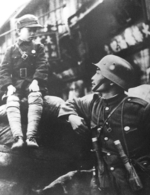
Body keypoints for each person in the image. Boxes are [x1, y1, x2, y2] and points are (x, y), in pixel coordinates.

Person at [59, 54, 150, 195]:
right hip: (104, 181)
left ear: (111, 80)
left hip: (136, 183)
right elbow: (70, 104)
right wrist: (72, 117)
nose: (92, 77)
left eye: (97, 72)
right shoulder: (93, 103)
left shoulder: (139, 109)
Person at [0, 14, 48, 150]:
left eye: (35, 30)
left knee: (35, 98)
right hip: (16, 85)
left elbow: (42, 65)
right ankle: (18, 138)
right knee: (12, 102)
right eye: (29, 30)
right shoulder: (11, 50)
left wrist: (36, 81)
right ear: (19, 31)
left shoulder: (39, 48)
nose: (33, 33)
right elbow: (4, 70)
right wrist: (8, 86)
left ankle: (31, 137)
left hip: (32, 84)